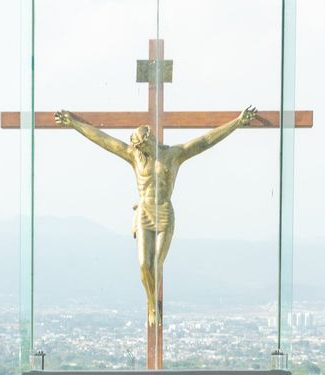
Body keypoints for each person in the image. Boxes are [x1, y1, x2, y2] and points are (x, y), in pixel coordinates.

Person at [55, 106, 257, 326]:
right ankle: (151, 305)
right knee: (144, 264)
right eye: (137, 146)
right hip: (144, 212)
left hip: (163, 212)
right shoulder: (135, 157)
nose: (139, 148)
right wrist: (75, 124)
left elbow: (205, 141)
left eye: (141, 145)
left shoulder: (174, 155)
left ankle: (153, 306)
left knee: (156, 264)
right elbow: (105, 141)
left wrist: (237, 122)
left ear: (149, 139)